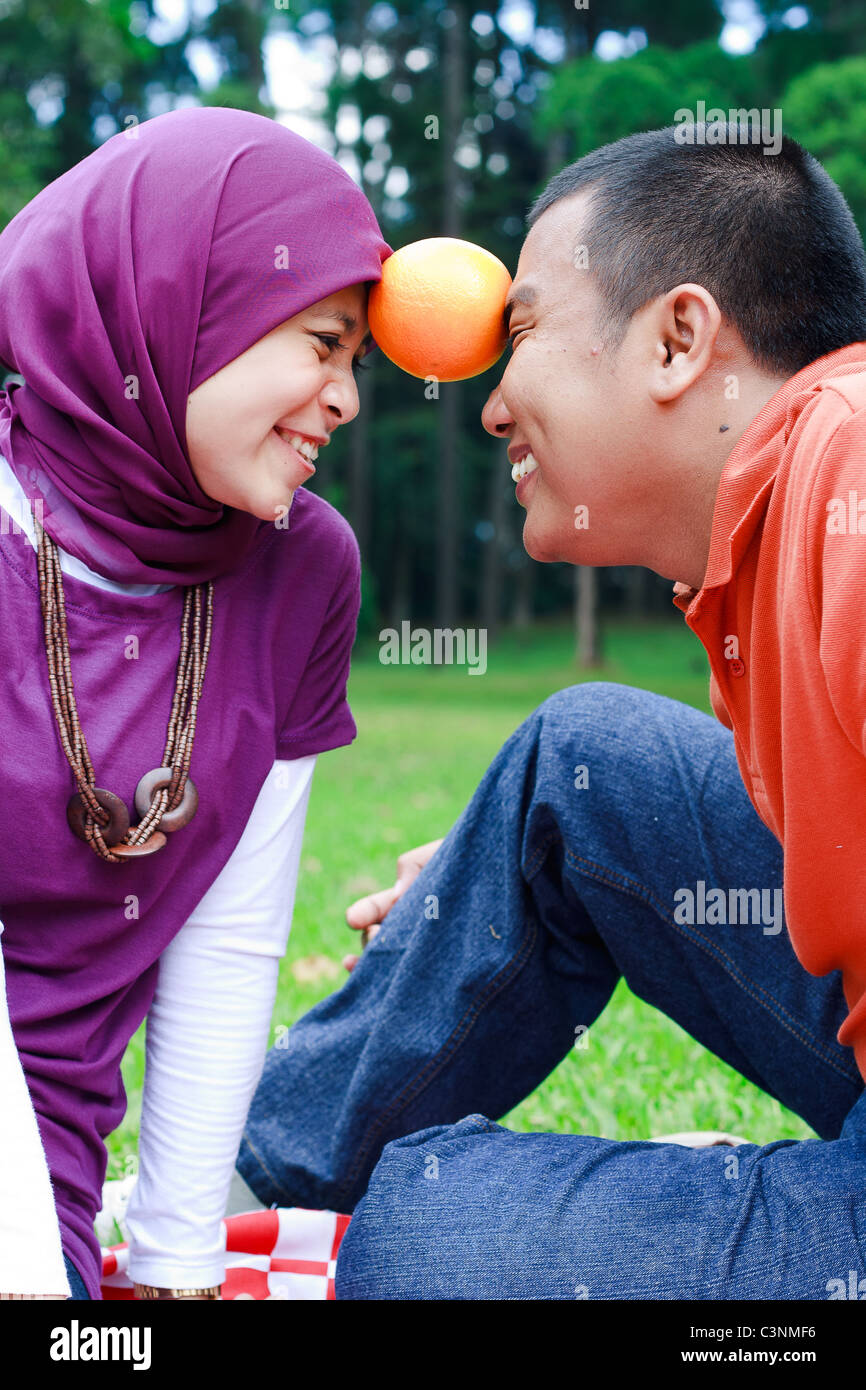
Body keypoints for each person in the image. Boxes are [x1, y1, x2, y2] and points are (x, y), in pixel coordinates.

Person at [235, 124, 866, 1299]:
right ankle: (250, 1183)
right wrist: (480, 872)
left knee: (430, 1240)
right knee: (581, 765)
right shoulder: (768, 531)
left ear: (678, 337)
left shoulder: (850, 475)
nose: (487, 407)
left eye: (521, 331)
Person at [0, 105, 391, 1299]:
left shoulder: (303, 566)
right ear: (179, 300)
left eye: (358, 364)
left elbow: (226, 938)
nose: (345, 400)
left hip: (44, 1172)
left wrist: (174, 1269)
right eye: (321, 343)